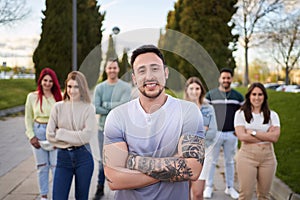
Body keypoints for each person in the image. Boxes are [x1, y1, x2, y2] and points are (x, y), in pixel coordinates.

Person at [103, 44, 205, 200]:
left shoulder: (188, 112)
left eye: (155, 69)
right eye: (141, 71)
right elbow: (114, 179)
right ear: (134, 78)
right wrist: (174, 166)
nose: (149, 76)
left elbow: (193, 169)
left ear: (166, 73)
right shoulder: (117, 116)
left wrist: (132, 161)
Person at [46, 71, 97, 200]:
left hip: (84, 157)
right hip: (63, 158)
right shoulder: (57, 107)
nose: (72, 91)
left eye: (76, 87)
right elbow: (49, 135)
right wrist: (74, 139)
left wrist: (61, 133)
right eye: (69, 86)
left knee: (81, 197)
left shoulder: (89, 108)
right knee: (58, 197)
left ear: (82, 88)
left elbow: (86, 137)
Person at [92, 58, 131, 199]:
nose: (112, 70)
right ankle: (100, 188)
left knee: (123, 159)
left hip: (122, 129)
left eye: (114, 68)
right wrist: (115, 106)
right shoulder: (100, 88)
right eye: (110, 68)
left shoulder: (126, 87)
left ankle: (123, 189)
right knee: (103, 160)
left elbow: (124, 106)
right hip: (103, 129)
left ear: (118, 69)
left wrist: (106, 105)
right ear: (106, 69)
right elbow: (96, 107)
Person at [234, 82, 280, 200]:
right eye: (254, 94)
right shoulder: (240, 114)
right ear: (249, 96)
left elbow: (274, 137)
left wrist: (253, 132)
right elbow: (242, 136)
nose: (257, 97)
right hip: (246, 157)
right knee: (246, 195)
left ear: (264, 96)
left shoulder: (272, 115)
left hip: (268, 158)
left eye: (260, 94)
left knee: (264, 196)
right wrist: (266, 135)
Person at [204, 68, 244, 199]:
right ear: (219, 79)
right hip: (215, 134)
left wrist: (239, 130)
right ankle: (209, 186)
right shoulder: (211, 95)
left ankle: (230, 187)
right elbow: (206, 114)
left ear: (231, 79)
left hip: (231, 134)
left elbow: (243, 115)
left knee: (230, 162)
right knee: (211, 161)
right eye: (223, 78)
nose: (226, 80)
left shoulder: (238, 97)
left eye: (228, 78)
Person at [25, 68, 62, 200]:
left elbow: (62, 118)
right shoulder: (32, 97)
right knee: (42, 167)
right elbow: (28, 118)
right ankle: (44, 196)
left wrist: (59, 138)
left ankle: (57, 195)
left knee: (56, 167)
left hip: (53, 133)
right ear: (41, 81)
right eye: (45, 80)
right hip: (38, 131)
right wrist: (31, 136)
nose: (47, 83)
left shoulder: (58, 97)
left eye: (50, 81)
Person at [184, 77, 218, 200]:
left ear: (201, 90)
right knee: (184, 193)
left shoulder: (209, 109)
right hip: (183, 155)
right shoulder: (182, 109)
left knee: (198, 193)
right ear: (187, 90)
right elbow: (178, 133)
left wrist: (191, 133)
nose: (194, 91)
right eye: (191, 88)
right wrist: (203, 129)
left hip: (204, 153)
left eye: (197, 88)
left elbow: (213, 133)